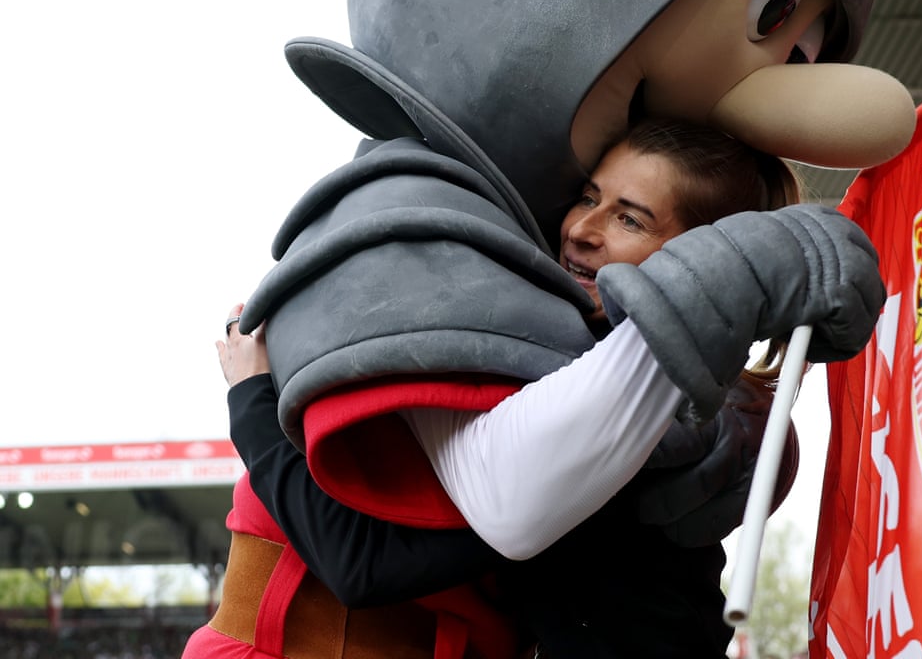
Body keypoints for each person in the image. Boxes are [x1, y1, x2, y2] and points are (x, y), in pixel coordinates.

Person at [195, 119, 876, 658]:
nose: (583, 229)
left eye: (629, 218)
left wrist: (250, 397)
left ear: (701, 256)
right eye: (589, 197)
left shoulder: (614, 404)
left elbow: (362, 563)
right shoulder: (573, 361)